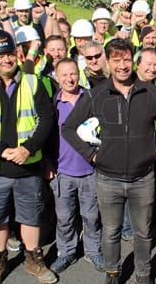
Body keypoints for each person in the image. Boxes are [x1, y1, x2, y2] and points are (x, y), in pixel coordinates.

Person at [62, 38, 156, 284]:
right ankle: (113, 273)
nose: (122, 65)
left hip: (143, 177)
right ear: (108, 62)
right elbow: (68, 128)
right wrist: (91, 155)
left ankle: (144, 274)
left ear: (132, 60)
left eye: (126, 59)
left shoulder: (151, 91)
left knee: (143, 233)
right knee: (111, 232)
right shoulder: (96, 95)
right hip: (107, 179)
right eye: (116, 60)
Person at [0, 30, 57, 284]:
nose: (6, 60)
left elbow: (47, 119)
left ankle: (34, 260)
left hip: (28, 165)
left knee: (31, 216)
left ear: (18, 54)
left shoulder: (33, 82)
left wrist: (28, 147)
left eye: (10, 54)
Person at [48, 58, 104, 274]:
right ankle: (67, 252)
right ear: (56, 77)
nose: (69, 79)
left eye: (73, 74)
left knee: (91, 216)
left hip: (89, 170)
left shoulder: (91, 99)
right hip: (63, 171)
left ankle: (93, 251)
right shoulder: (53, 105)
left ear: (79, 74)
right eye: (64, 75)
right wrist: (47, 163)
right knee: (65, 217)